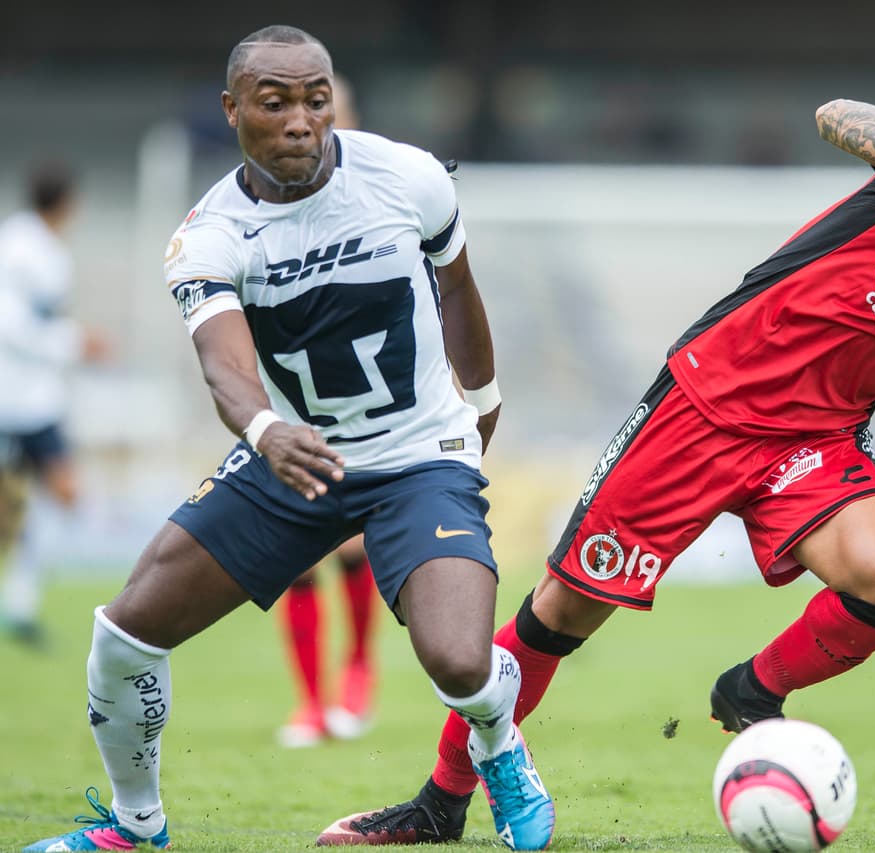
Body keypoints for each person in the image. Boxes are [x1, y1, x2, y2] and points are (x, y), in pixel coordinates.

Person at [316, 92, 875, 846]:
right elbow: (841, 113)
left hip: (816, 443)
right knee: (562, 614)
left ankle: (752, 692)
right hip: (701, 406)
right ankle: (440, 803)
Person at [24, 25, 554, 853]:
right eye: (276, 103)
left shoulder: (406, 176)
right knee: (124, 636)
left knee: (457, 660)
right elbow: (224, 364)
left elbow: (457, 288)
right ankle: (133, 826)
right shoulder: (210, 234)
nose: (304, 120)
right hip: (296, 456)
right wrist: (267, 430)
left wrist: (482, 398)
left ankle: (499, 742)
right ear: (234, 111)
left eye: (317, 99)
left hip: (418, 454)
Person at [274, 72, 381, 749]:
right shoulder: (264, 192)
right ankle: (311, 702)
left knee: (349, 542)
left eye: (318, 106)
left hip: (366, 393)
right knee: (294, 551)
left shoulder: (378, 187)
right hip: (289, 389)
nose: (303, 121)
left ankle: (358, 672)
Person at [0, 160, 109, 647]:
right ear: (66, 202)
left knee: (59, 495)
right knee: (17, 507)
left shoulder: (42, 248)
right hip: (10, 399)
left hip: (36, 403)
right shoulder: (21, 249)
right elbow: (13, 325)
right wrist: (73, 342)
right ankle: (18, 603)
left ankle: (19, 605)